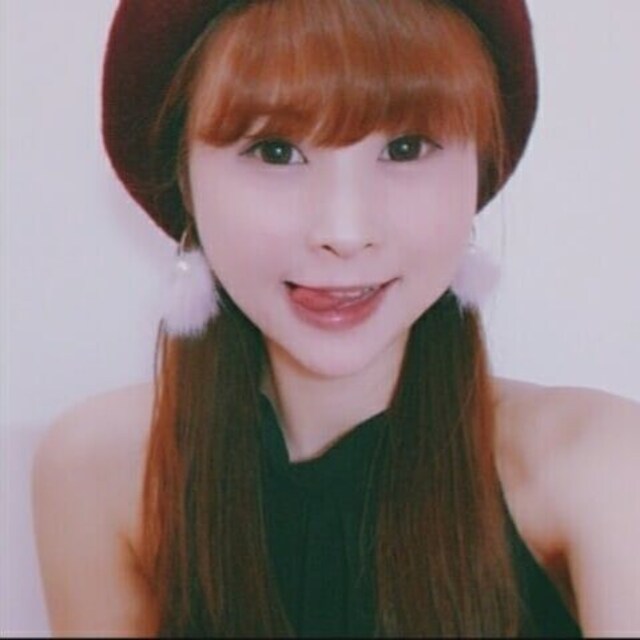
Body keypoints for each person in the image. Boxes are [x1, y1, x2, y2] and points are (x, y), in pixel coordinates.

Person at [32, 0, 640, 636]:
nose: (345, 233)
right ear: (182, 178)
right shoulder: (102, 470)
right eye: (275, 151)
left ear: (478, 173)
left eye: (406, 148)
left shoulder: (600, 470)